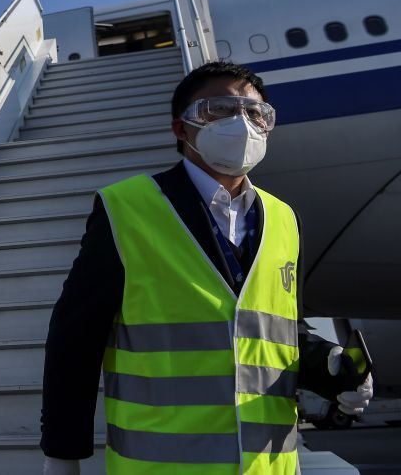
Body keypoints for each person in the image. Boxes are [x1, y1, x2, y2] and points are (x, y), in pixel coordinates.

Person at [40, 61, 374, 474]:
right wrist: (62, 452)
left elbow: (280, 331)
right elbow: (75, 338)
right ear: (181, 129)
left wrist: (332, 367)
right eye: (219, 110)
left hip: (269, 467)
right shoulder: (125, 208)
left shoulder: (285, 219)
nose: (242, 123)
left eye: (255, 113)